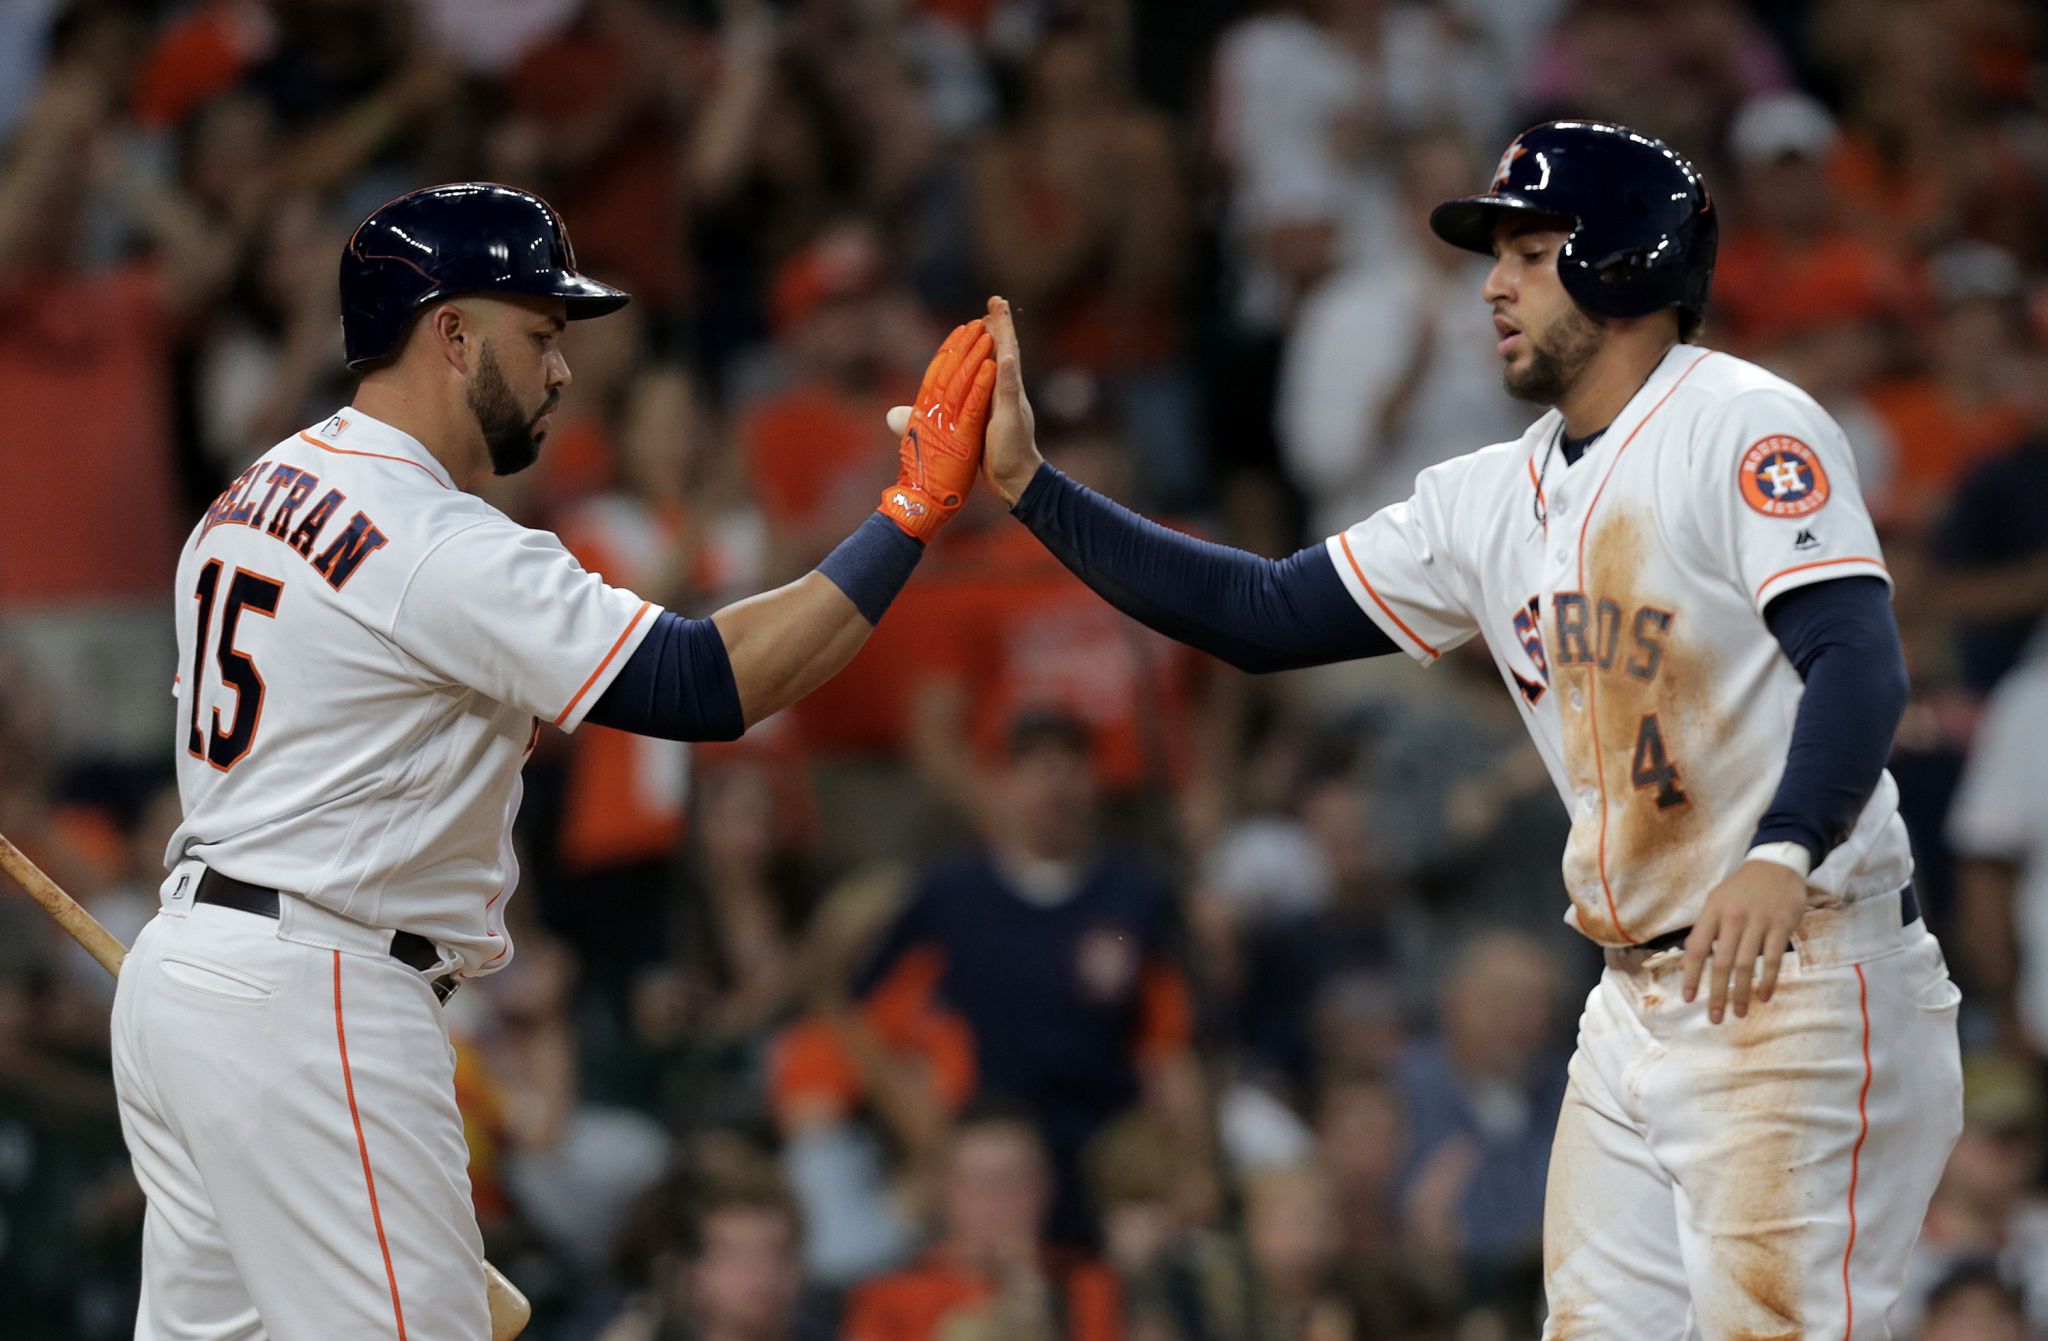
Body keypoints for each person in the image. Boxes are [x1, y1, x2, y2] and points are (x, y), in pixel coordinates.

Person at [958, 120, 1963, 1337]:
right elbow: (1260, 612)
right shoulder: (1489, 493)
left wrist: (1783, 845)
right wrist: (1027, 487)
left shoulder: (1742, 423)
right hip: (1634, 994)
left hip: (1800, 971)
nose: (1491, 282)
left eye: (1529, 252)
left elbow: (1855, 656)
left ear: (1622, 262)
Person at [107, 182, 996, 1340]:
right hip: (316, 993)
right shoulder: (433, 540)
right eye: (539, 334)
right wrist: (912, 511)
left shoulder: (245, 496)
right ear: (450, 330)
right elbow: (705, 682)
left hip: (195, 977)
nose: (562, 371)